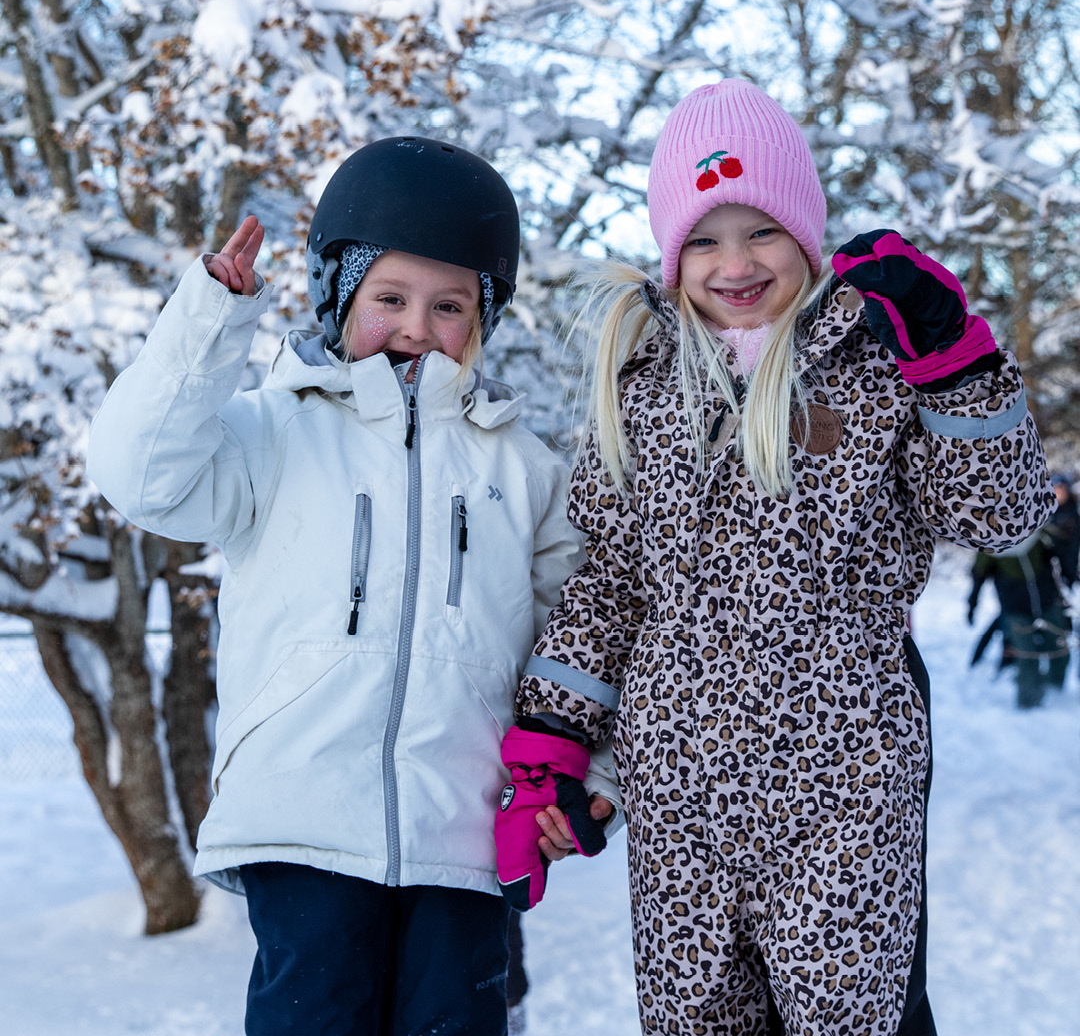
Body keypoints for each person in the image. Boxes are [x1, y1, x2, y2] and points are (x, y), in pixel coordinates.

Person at [494, 80, 1054, 1036]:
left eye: (761, 232)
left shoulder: (877, 367)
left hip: (842, 783)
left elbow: (1001, 514)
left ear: (807, 235)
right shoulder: (639, 389)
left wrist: (952, 362)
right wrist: (553, 739)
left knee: (847, 1018)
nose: (735, 263)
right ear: (673, 256)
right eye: (704, 239)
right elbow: (612, 584)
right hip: (679, 800)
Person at [86, 136, 605, 1035]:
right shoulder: (270, 435)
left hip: (464, 832)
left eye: (449, 305)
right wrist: (209, 323)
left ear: (483, 318)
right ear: (339, 294)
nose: (416, 326)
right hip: (300, 820)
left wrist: (586, 773)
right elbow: (142, 478)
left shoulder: (524, 470)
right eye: (390, 297)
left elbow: (585, 636)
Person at [967, 529, 1071, 707]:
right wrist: (972, 605)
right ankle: (1028, 703)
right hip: (1015, 607)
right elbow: (979, 575)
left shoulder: (1034, 530)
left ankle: (1055, 693)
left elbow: (1058, 553)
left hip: (1047, 601)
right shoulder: (989, 543)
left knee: (1058, 646)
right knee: (1026, 654)